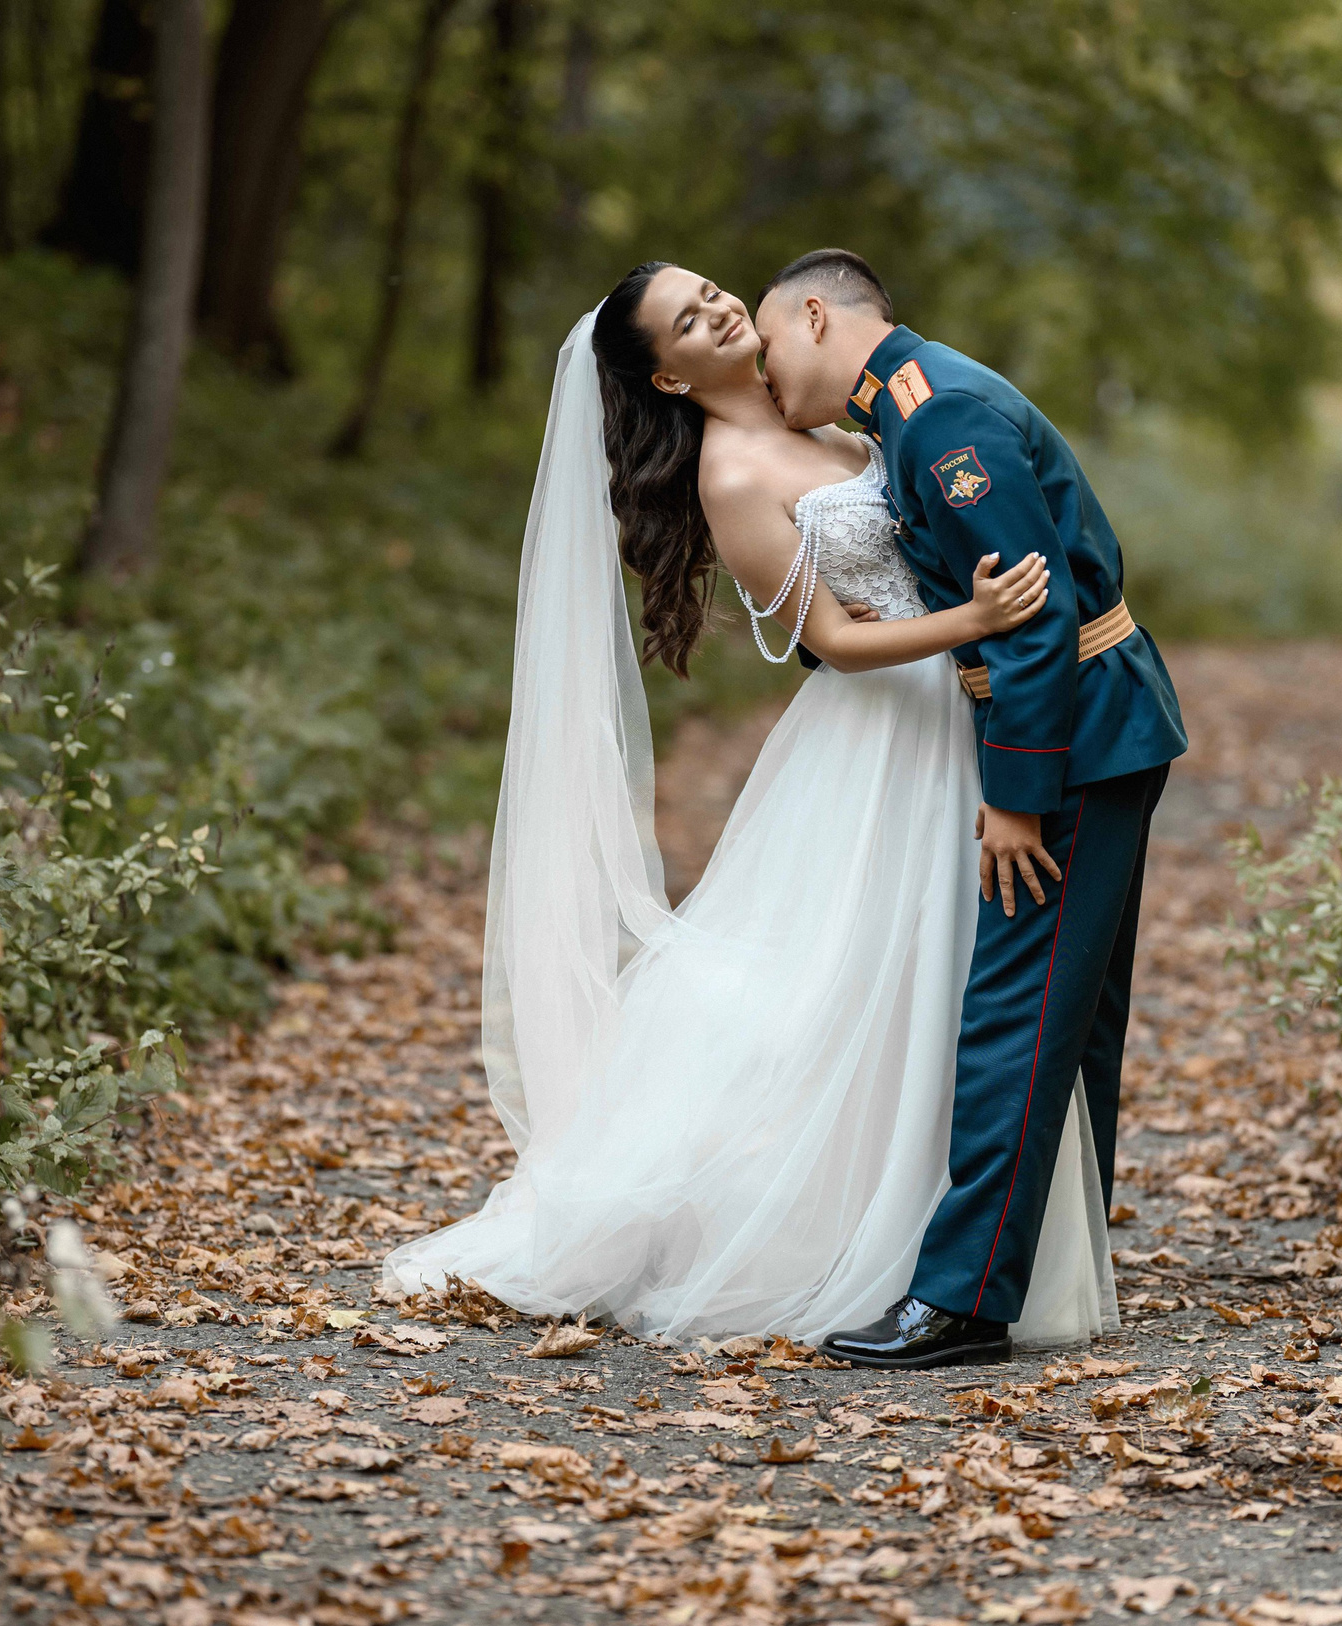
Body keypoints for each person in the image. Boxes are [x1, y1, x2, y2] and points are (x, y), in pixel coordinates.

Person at [380, 262, 1118, 1351]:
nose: (720, 310)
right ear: (670, 377)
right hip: (882, 736)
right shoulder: (730, 473)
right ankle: (840, 1235)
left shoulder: (829, 411)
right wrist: (973, 621)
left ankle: (944, 1232)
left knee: (953, 979)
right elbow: (838, 641)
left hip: (963, 713)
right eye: (689, 320)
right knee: (848, 984)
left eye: (712, 292)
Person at [751, 250, 1189, 1370]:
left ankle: (963, 1301)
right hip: (1100, 721)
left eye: (767, 341)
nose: (761, 368)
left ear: (815, 315)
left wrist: (1017, 800)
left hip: (1074, 733)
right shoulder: (906, 407)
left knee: (1016, 1014)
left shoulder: (939, 415)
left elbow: (1034, 615)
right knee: (1070, 1016)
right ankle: (1050, 1266)